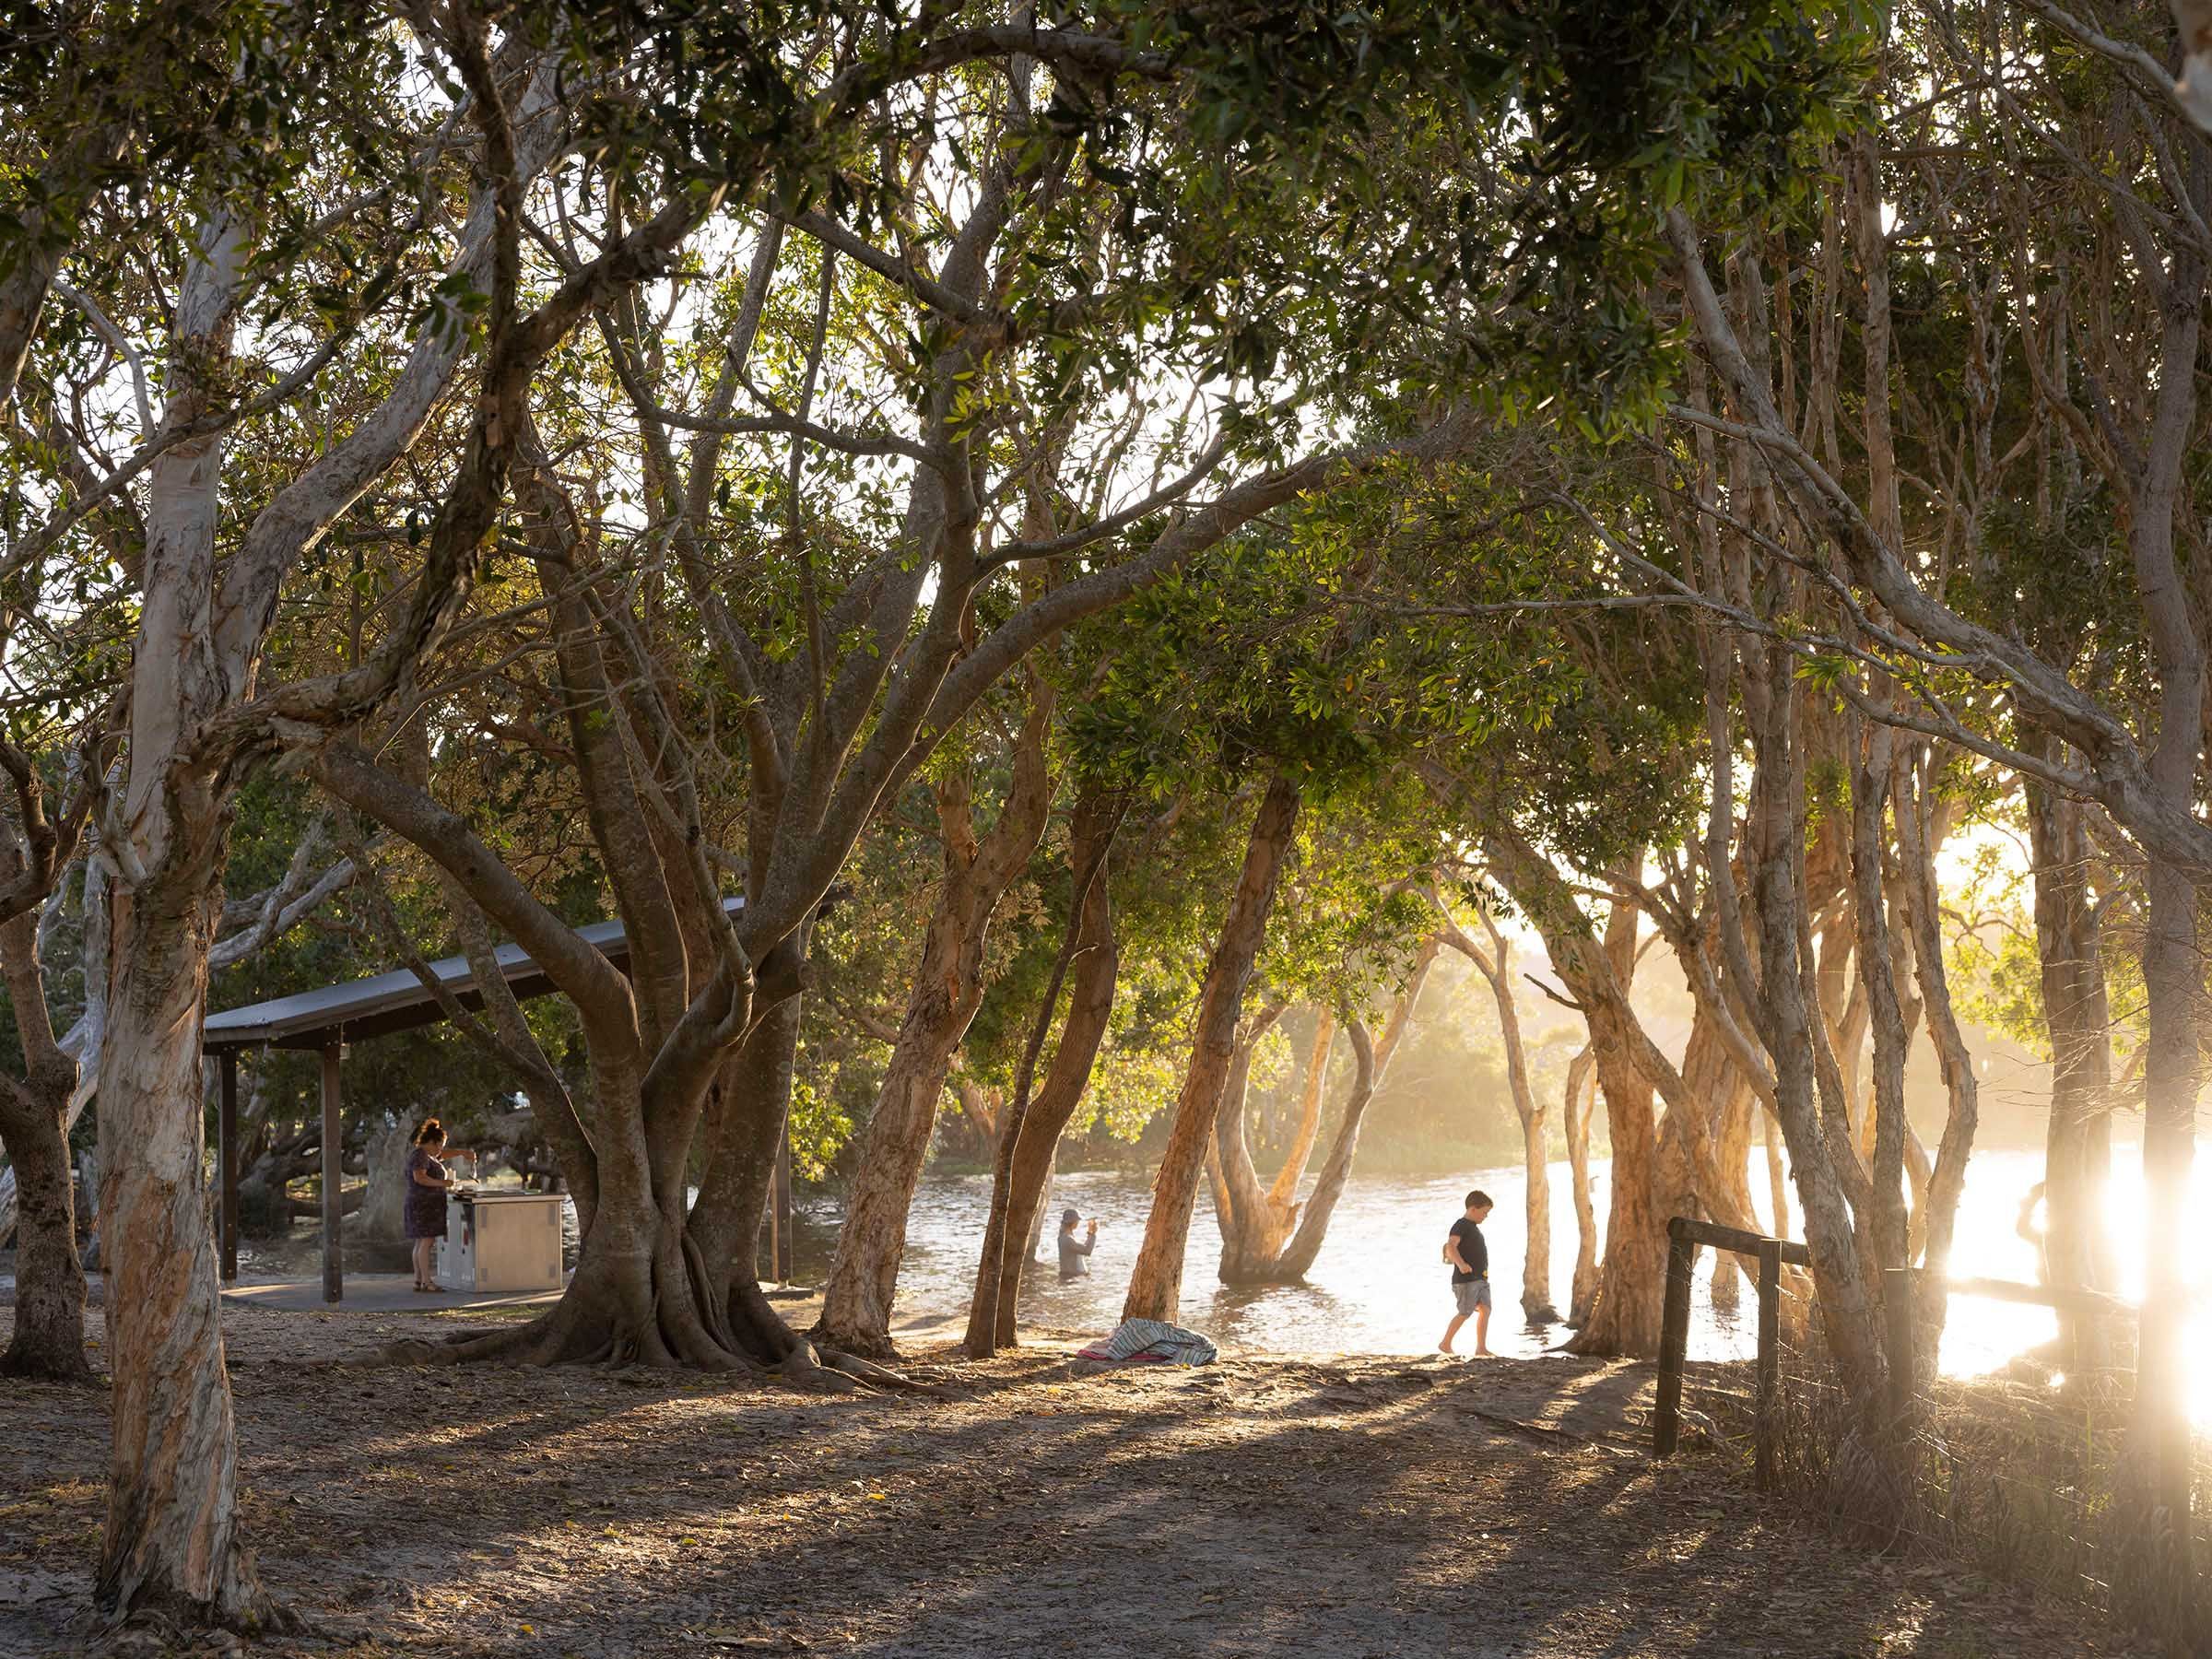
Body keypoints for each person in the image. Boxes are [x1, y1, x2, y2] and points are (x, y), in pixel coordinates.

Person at [1440, 1189, 1495, 1356]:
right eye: (1484, 1212)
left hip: (1481, 1278)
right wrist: (1461, 1264)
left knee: (1486, 1309)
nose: (1486, 1216)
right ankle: (1445, 1343)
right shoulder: (1461, 1225)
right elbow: (1450, 1245)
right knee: (1465, 1312)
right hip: (1466, 1280)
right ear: (1473, 1209)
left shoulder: (1473, 1228)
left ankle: (1481, 1348)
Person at [406, 1118, 457, 1292]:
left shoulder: (424, 1155)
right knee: (426, 1243)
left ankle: (418, 1280)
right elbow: (419, 1177)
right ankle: (427, 1281)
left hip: (423, 1203)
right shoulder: (420, 1155)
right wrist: (443, 1183)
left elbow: (443, 1156)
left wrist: (464, 1153)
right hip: (424, 1204)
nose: (440, 1150)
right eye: (440, 1145)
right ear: (432, 1142)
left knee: (420, 1243)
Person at [1057, 1208, 1098, 1281]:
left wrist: (1090, 1233)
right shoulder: (1068, 1239)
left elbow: (1082, 1249)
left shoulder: (1064, 1236)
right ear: (1073, 1222)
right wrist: (1093, 1233)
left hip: (1071, 1276)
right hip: (1072, 1278)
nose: (1078, 1223)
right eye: (1077, 1221)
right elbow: (1087, 1251)